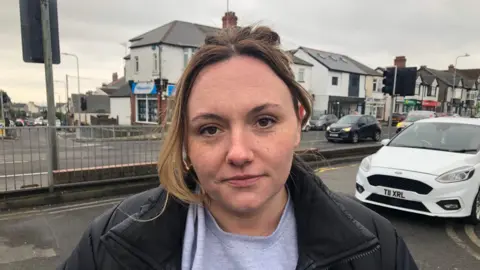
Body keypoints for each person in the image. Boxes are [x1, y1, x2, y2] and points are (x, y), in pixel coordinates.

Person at [59, 25, 418, 270]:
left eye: (264, 122)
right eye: (210, 128)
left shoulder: (375, 244)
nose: (239, 153)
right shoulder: (113, 242)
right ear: (185, 140)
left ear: (298, 123)